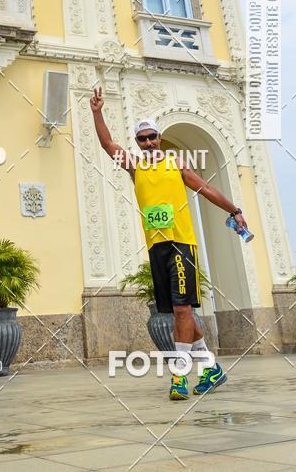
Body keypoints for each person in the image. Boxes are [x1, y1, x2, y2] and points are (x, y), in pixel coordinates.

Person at [90, 87, 249, 401]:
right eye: (142, 139)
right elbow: (109, 144)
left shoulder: (176, 165)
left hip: (181, 244)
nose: (148, 142)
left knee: (180, 310)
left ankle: (179, 376)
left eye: (152, 137)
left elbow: (205, 189)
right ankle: (211, 368)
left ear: (159, 138)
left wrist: (235, 211)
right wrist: (97, 112)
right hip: (157, 247)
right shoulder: (136, 168)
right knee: (181, 313)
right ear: (138, 143)